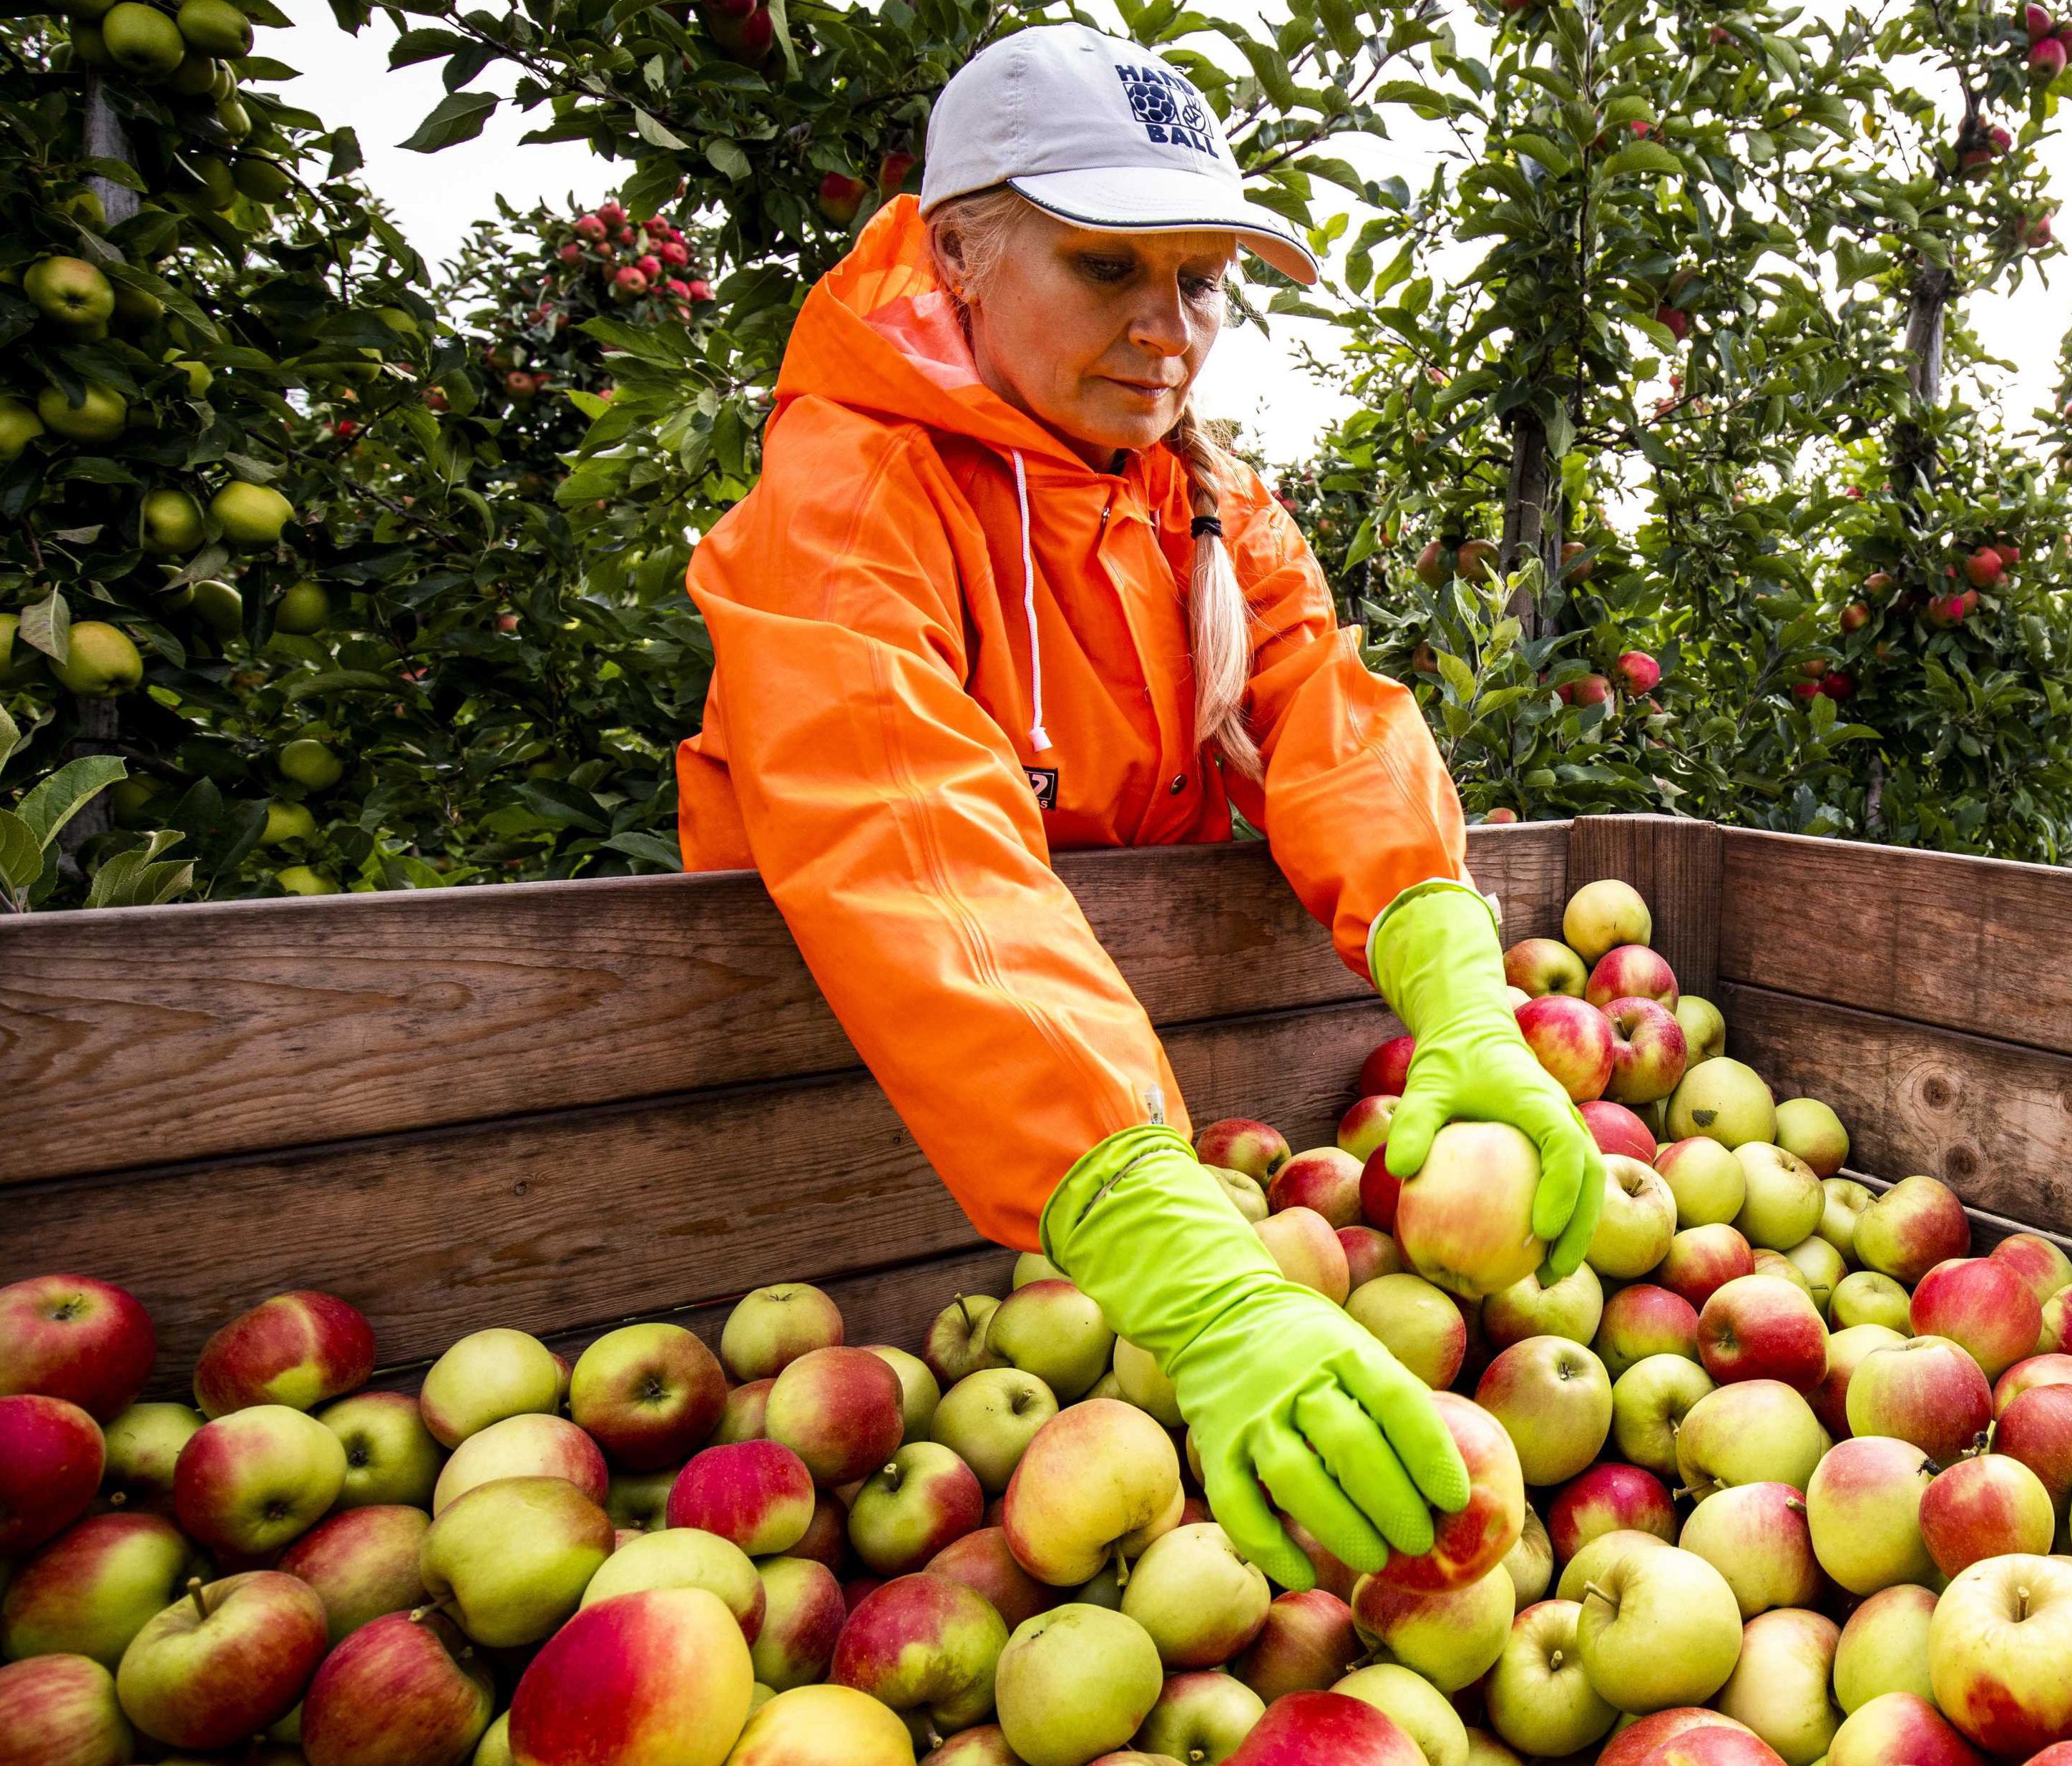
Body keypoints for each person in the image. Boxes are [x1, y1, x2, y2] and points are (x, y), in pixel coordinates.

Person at [670, 23, 1606, 1593]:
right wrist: (1201, 1279)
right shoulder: (847, 496)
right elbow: (909, 846)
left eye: (1203, 279)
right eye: (1109, 267)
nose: (1168, 329)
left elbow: (1328, 714)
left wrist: (1461, 995)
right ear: (961, 250)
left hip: (1125, 1167)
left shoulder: (1202, 496)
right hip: (842, 1157)